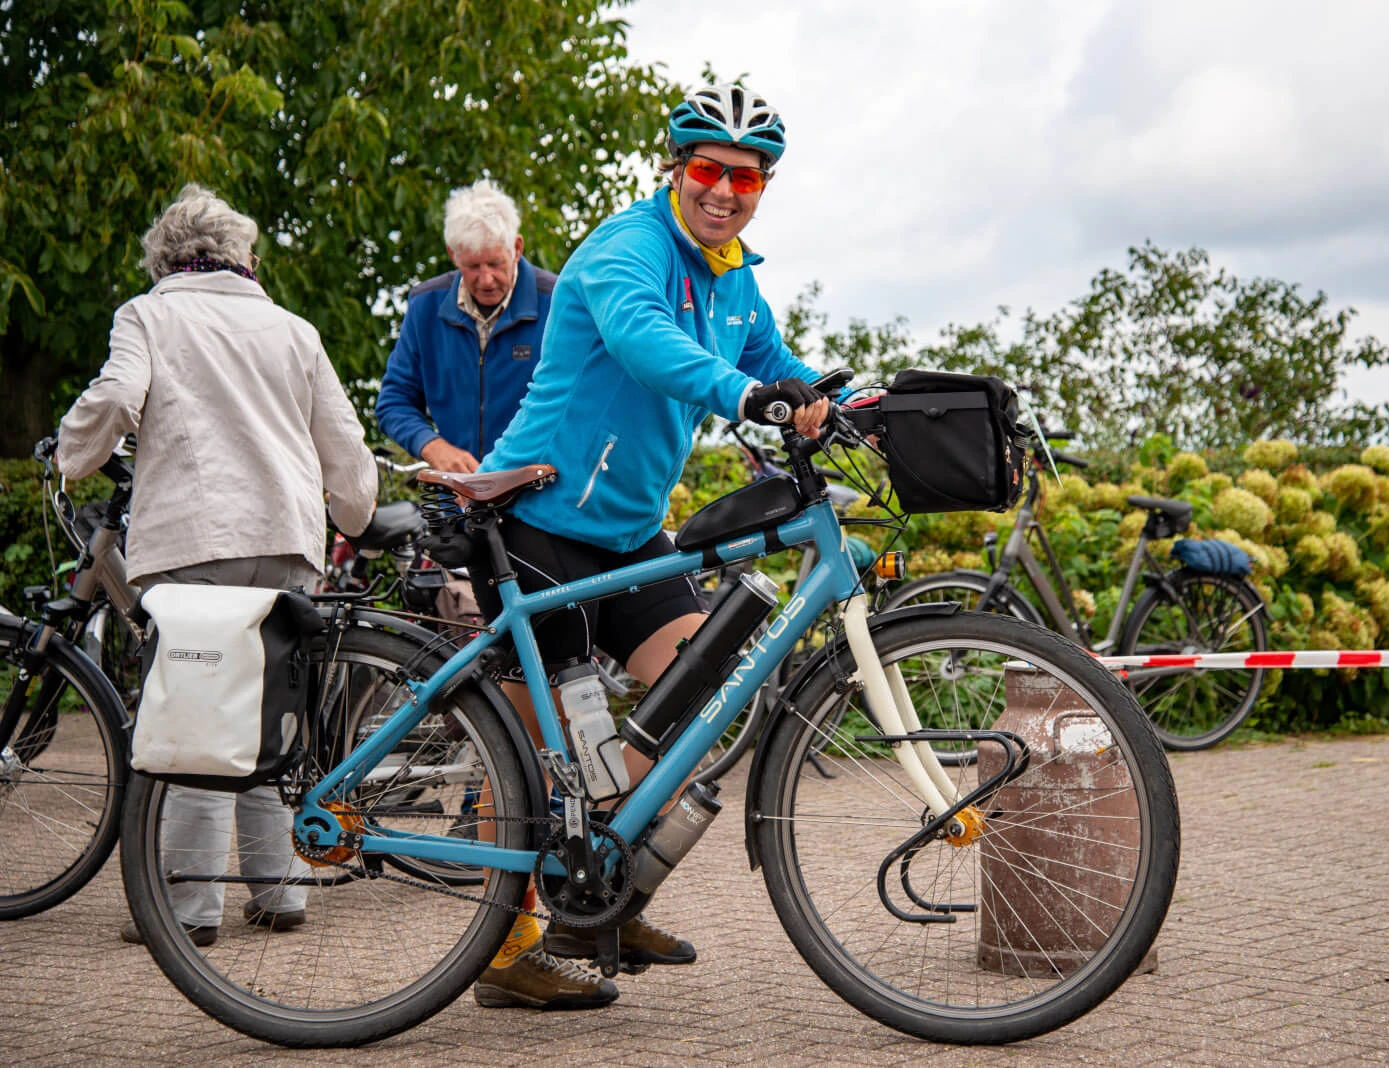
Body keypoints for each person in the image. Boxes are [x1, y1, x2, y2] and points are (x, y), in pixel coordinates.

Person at [464, 83, 829, 1012]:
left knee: (694, 696)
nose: (724, 190)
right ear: (676, 167)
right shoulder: (627, 248)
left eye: (745, 177)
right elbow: (646, 345)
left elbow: (770, 359)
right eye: (708, 169)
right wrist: (746, 399)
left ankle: (603, 901)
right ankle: (502, 952)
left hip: (630, 536)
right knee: (530, 757)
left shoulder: (734, 273)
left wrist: (827, 399)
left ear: (764, 186)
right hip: (537, 524)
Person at [54, 184, 377, 946]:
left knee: (200, 720)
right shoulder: (291, 328)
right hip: (288, 544)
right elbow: (345, 444)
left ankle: (189, 908)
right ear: (243, 258)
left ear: (164, 259)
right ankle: (280, 890)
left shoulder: (148, 314)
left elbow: (118, 397)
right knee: (268, 717)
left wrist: (74, 455)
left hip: (197, 543)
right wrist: (358, 518)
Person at [374, 178, 556, 473]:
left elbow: (581, 404)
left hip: (535, 497)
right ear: (452, 254)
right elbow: (394, 401)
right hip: (454, 497)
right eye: (473, 267)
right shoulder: (425, 306)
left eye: (496, 263)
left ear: (517, 247)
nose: (486, 279)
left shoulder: (556, 304)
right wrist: (432, 447)